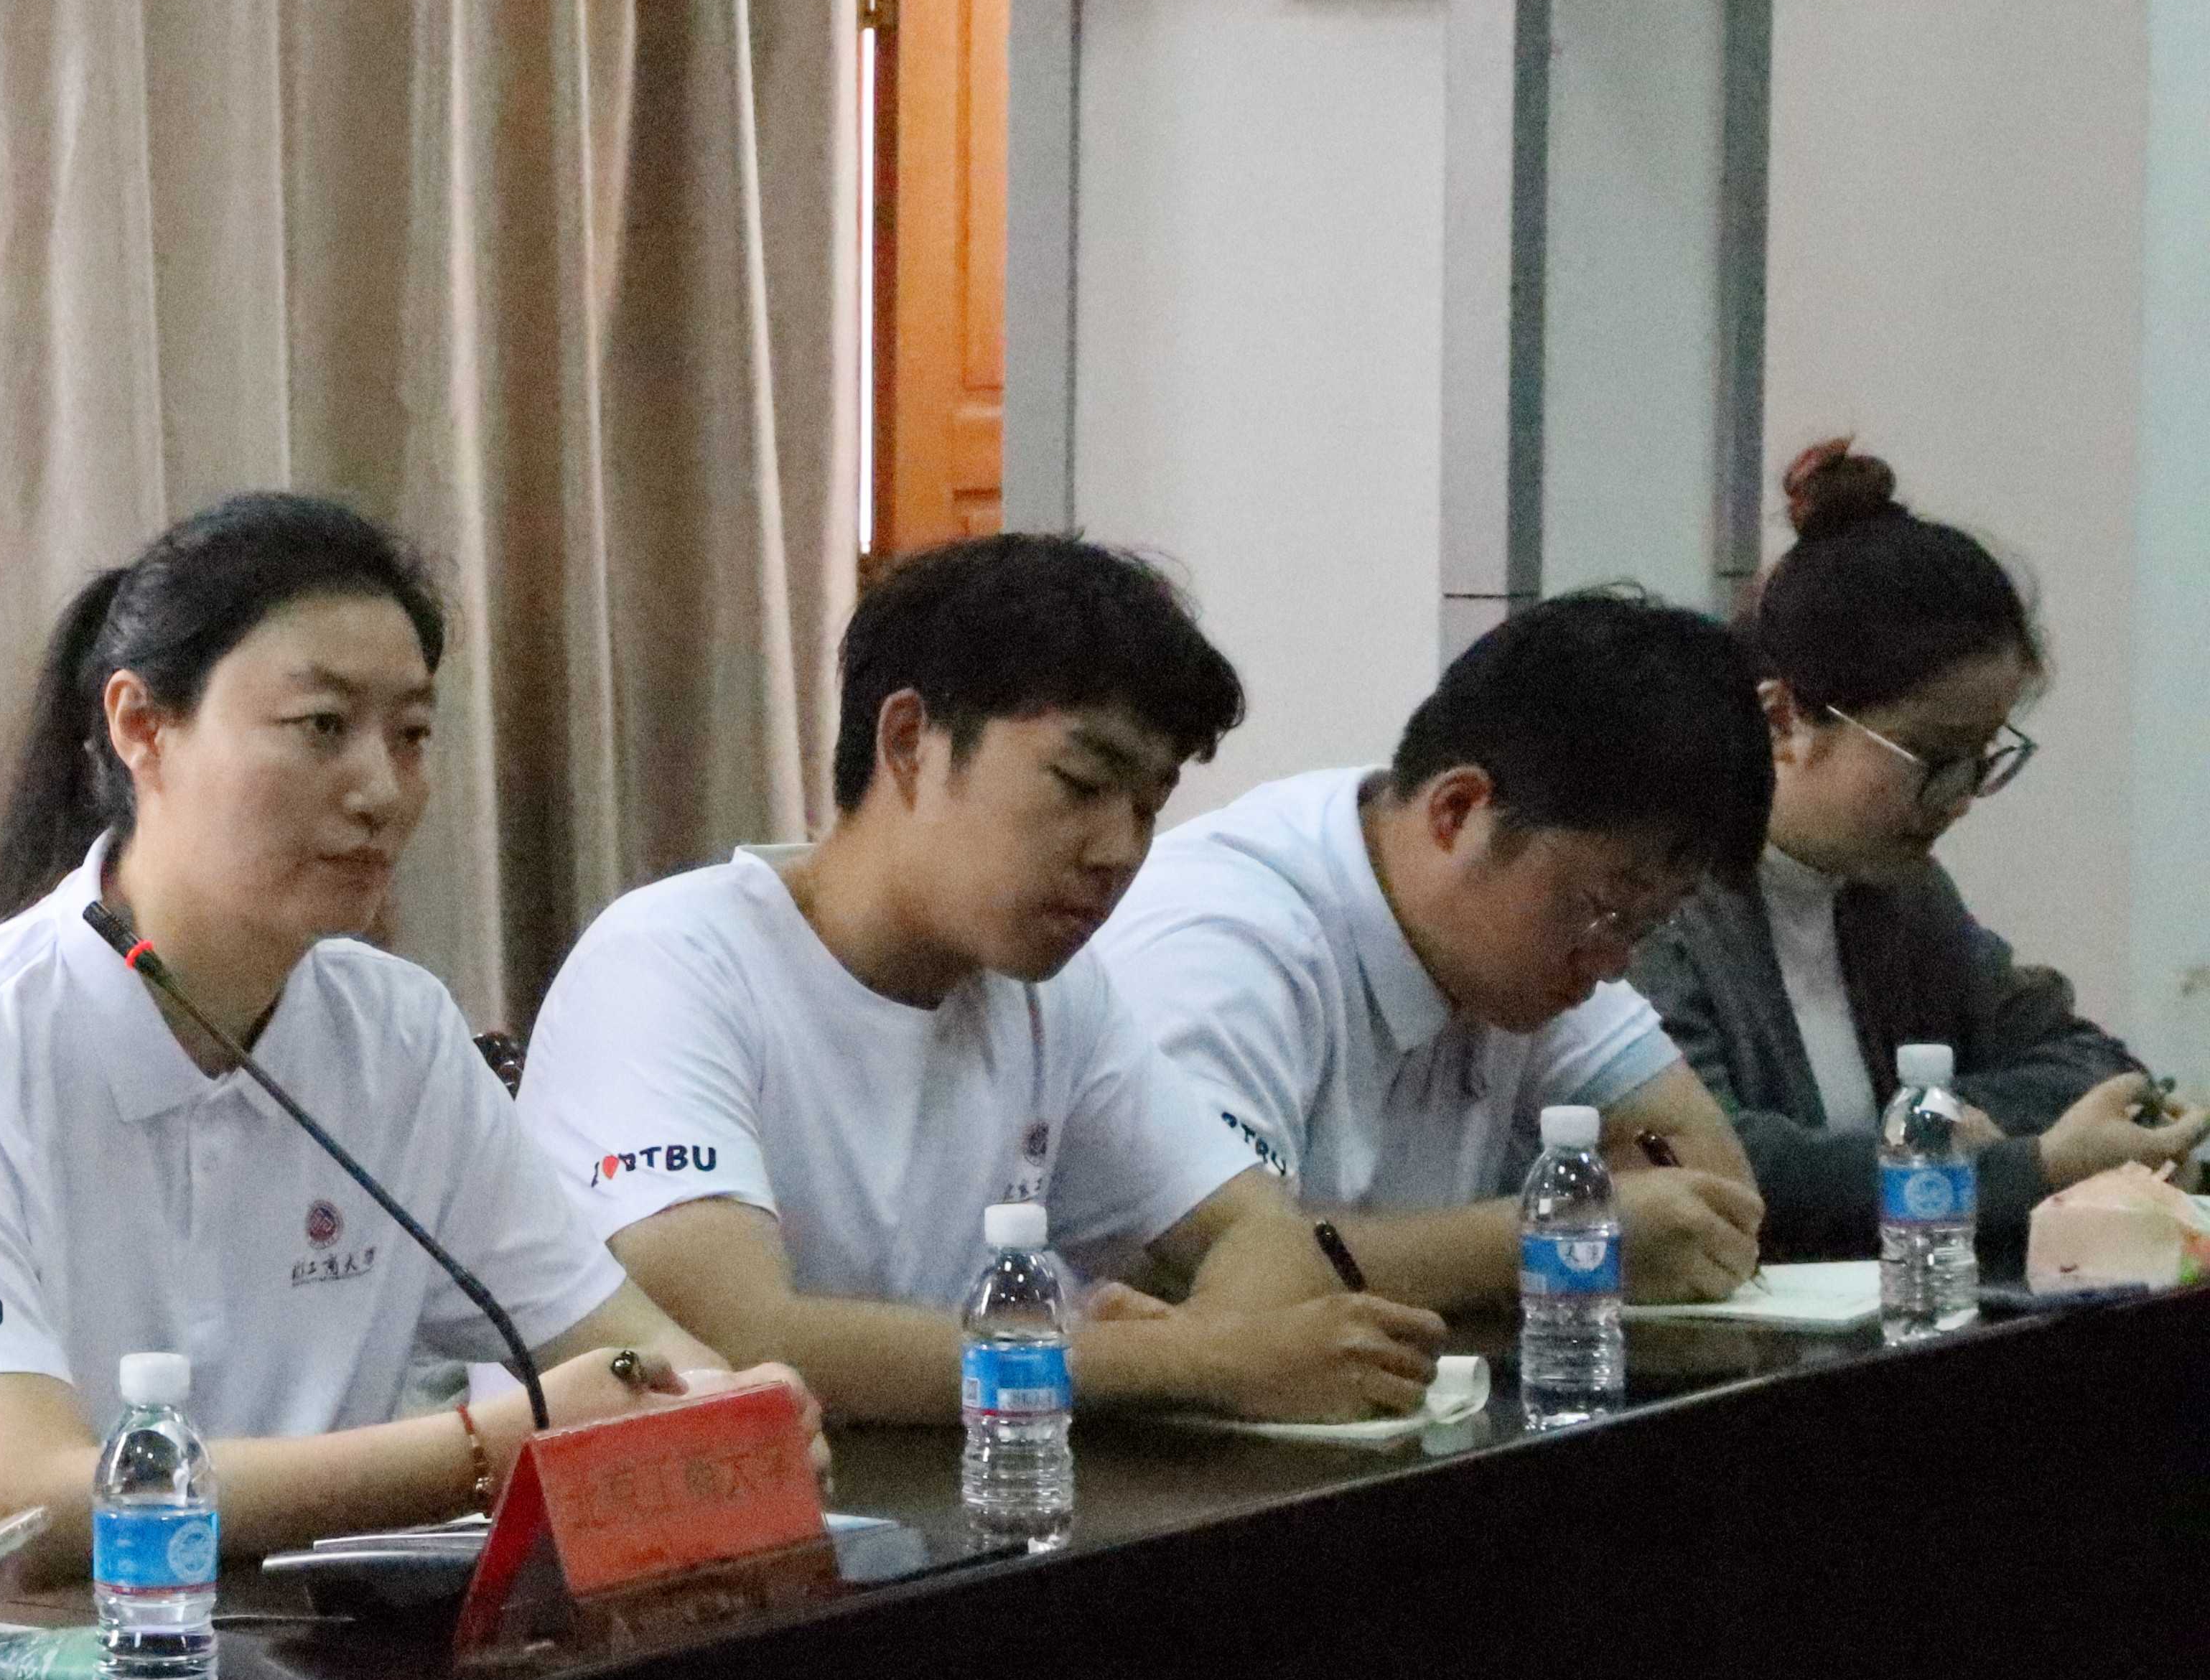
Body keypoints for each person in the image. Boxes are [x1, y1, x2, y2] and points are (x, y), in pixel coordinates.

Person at [0, 493, 805, 1564]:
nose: (381, 790)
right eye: (323, 728)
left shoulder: (398, 1032)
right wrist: (486, 1449)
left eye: (412, 735)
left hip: (281, 1638)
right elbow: (27, 1500)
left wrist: (734, 1406)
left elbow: (623, 1342)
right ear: (141, 727)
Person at [516, 536, 1443, 1422]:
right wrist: (1190, 1362)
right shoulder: (670, 962)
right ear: (909, 741)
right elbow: (733, 1340)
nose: (1119, 851)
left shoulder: (1052, 995)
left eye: (1148, 807)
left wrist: (1212, 1346)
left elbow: (1260, 1229)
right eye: (1081, 785)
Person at [1094, 589, 1774, 1315]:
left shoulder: (1526, 925)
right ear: (1457, 812)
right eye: (1610, 910)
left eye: (1646, 927)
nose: (1613, 965)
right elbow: (1207, 1274)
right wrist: (1552, 1239)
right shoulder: (1222, 942)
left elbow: (1713, 1193)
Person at [1632, 442, 2204, 1256]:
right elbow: (1723, 1163)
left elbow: (2091, 1063)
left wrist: (1941, 1122)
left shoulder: (1902, 893)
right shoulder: (1657, 902)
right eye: (1934, 758)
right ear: (1785, 720)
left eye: (1981, 758)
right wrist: (2023, 1164)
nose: (1961, 797)